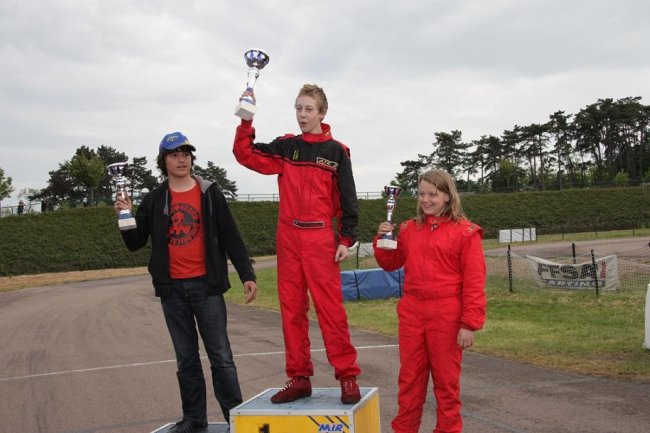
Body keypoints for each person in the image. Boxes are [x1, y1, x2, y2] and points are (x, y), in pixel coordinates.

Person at [114, 131, 258, 433]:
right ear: (163, 161)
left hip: (207, 288)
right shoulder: (154, 199)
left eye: (185, 153)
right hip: (173, 291)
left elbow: (231, 235)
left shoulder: (209, 191)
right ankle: (194, 420)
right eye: (174, 154)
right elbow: (135, 243)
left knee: (221, 358)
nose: (181, 159)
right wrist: (124, 216)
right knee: (186, 360)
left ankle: (236, 420)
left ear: (191, 158)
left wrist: (247, 274)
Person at [233, 84, 362, 405]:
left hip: (320, 238)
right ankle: (299, 377)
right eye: (299, 108)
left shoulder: (337, 152)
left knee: (330, 310)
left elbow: (348, 198)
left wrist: (346, 237)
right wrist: (246, 121)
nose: (303, 115)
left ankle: (347, 375)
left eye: (308, 109)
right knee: (291, 310)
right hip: (288, 237)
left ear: (322, 113)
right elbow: (245, 155)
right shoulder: (286, 146)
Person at [373, 169, 487, 433]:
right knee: (409, 381)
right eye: (422, 194)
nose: (426, 199)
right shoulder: (409, 229)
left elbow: (474, 282)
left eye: (432, 194)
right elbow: (390, 263)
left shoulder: (466, 232)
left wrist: (469, 323)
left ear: (447, 196)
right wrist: (382, 239)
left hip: (446, 315)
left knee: (446, 385)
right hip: (412, 313)